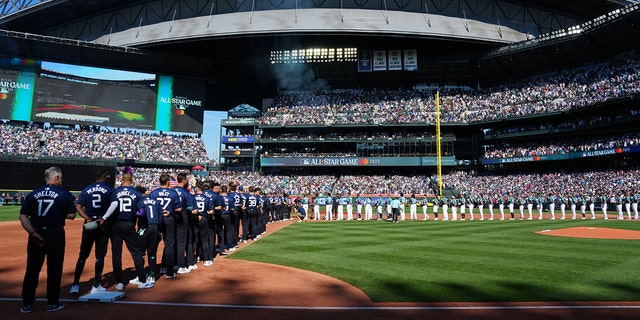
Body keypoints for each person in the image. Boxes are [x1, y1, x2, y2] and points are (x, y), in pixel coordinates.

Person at [20, 166, 76, 313]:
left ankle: (27, 303)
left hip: (36, 234)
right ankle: (52, 302)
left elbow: (23, 216)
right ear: (56, 178)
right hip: (55, 233)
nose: (61, 180)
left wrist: (32, 233)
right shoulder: (65, 194)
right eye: (61, 177)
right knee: (54, 269)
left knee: (32, 269)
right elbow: (71, 215)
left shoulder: (33, 194)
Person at [102, 167, 154, 291]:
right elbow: (141, 212)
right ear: (132, 179)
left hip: (115, 225)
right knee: (136, 252)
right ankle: (142, 281)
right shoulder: (136, 193)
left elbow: (109, 207)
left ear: (121, 178)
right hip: (129, 225)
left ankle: (119, 282)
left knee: (116, 254)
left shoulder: (114, 191)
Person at [70, 170, 114, 294]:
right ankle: (96, 284)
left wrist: (87, 218)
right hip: (102, 224)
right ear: (105, 177)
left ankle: (75, 284)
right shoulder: (110, 189)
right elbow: (114, 205)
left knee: (83, 255)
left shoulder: (86, 189)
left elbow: (78, 206)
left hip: (89, 224)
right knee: (99, 256)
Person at [148, 173, 180, 279]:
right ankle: (169, 271)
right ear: (168, 182)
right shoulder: (173, 193)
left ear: (159, 181)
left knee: (153, 245)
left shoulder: (154, 193)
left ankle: (153, 270)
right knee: (169, 244)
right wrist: (170, 211)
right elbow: (179, 208)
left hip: (156, 218)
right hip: (168, 218)